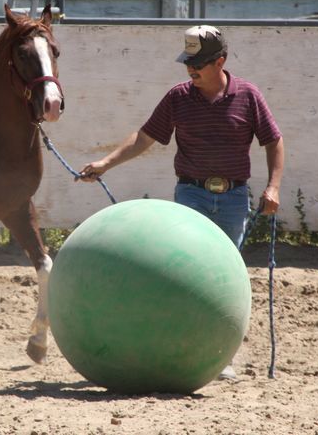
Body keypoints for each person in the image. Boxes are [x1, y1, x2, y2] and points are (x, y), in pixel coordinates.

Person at [78, 25, 284, 380]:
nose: (191, 69)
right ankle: (187, 347)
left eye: (199, 63)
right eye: (188, 62)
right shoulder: (177, 98)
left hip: (234, 198)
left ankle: (220, 353)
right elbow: (145, 138)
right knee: (189, 274)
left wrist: (274, 187)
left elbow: (274, 141)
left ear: (220, 60)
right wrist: (105, 163)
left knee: (224, 275)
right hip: (190, 194)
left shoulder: (248, 96)